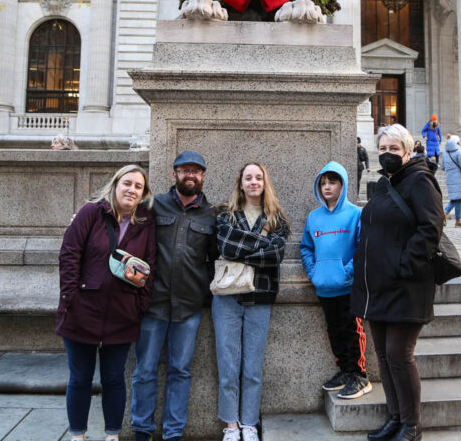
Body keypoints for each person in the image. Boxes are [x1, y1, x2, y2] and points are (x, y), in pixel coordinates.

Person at [351, 124, 441, 441]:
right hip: (378, 286)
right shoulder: (383, 184)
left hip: (407, 285)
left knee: (400, 355)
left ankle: (411, 425)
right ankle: (395, 418)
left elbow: (431, 228)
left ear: (407, 150)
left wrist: (405, 265)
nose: (387, 154)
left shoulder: (420, 180)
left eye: (394, 149)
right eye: (383, 149)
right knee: (386, 357)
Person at [56, 165, 157, 441]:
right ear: (115, 185)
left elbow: (151, 266)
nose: (132, 190)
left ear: (143, 193)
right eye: (127, 183)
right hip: (82, 310)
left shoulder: (145, 223)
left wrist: (140, 305)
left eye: (138, 186)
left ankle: (112, 436)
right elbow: (69, 255)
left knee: (114, 379)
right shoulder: (92, 213)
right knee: (80, 378)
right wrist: (70, 298)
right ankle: (78, 436)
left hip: (123, 314)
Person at [131, 151, 217, 441]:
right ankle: (142, 429)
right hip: (152, 304)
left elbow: (216, 258)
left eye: (196, 171)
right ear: (174, 174)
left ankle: (173, 433)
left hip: (189, 307)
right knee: (145, 370)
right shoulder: (153, 205)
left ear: (203, 176)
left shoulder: (212, 215)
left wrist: (204, 288)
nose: (190, 175)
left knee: (180, 371)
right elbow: (124, 226)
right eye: (184, 170)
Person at [213, 163, 289, 441]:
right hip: (227, 297)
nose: (254, 182)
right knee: (228, 365)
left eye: (259, 177)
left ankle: (249, 423)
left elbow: (276, 255)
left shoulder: (277, 217)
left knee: (253, 367)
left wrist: (242, 253)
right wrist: (261, 245)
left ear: (265, 182)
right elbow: (225, 248)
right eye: (249, 177)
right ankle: (231, 425)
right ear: (241, 183)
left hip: (261, 295)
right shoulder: (225, 215)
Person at [300, 162, 370, 400]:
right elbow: (306, 248)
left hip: (348, 287)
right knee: (335, 332)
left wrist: (347, 272)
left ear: (343, 185)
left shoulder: (355, 214)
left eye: (332, 182)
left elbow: (363, 248)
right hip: (324, 287)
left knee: (352, 331)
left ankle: (360, 376)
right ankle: (345, 371)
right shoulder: (314, 217)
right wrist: (314, 272)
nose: (327, 187)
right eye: (323, 183)